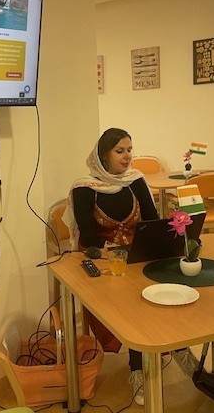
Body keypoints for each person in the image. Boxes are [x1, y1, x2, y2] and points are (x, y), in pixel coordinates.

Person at [62, 128, 159, 406]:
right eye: (120, 151)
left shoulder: (135, 181)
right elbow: (89, 237)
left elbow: (152, 221)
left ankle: (176, 347)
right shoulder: (83, 188)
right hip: (106, 261)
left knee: (165, 288)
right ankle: (138, 370)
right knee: (136, 301)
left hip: (139, 256)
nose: (127, 157)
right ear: (103, 155)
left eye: (129, 150)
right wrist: (115, 253)